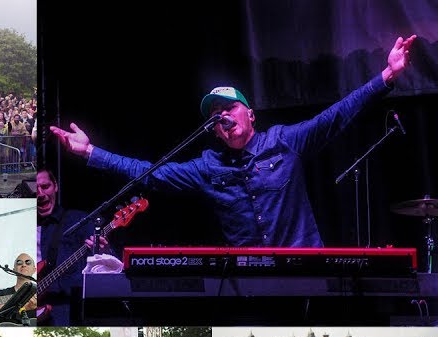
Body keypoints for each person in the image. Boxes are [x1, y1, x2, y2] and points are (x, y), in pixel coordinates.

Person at [49, 35, 417, 247]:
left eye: (230, 108)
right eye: (215, 116)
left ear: (249, 113)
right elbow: (150, 173)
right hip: (249, 278)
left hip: (304, 265)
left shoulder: (284, 141)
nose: (223, 117)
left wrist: (386, 76)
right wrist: (92, 152)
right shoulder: (209, 167)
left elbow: (335, 116)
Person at [35, 167, 105, 325]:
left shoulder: (78, 220)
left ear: (56, 186)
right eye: (34, 189)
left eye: (45, 186)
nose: (40, 194)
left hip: (65, 309)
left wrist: (103, 250)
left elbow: (109, 263)